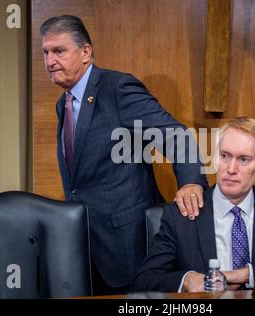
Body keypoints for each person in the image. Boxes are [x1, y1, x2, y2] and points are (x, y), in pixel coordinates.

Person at [40, 15, 208, 295]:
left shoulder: (117, 88)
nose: (50, 60)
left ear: (85, 52)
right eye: (45, 52)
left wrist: (191, 182)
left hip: (128, 247)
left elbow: (175, 136)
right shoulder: (63, 103)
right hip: (84, 249)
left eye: (59, 51)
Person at [131, 117, 255, 293]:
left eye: (244, 159)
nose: (231, 169)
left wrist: (248, 274)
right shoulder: (181, 215)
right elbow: (144, 281)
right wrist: (187, 280)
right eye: (225, 156)